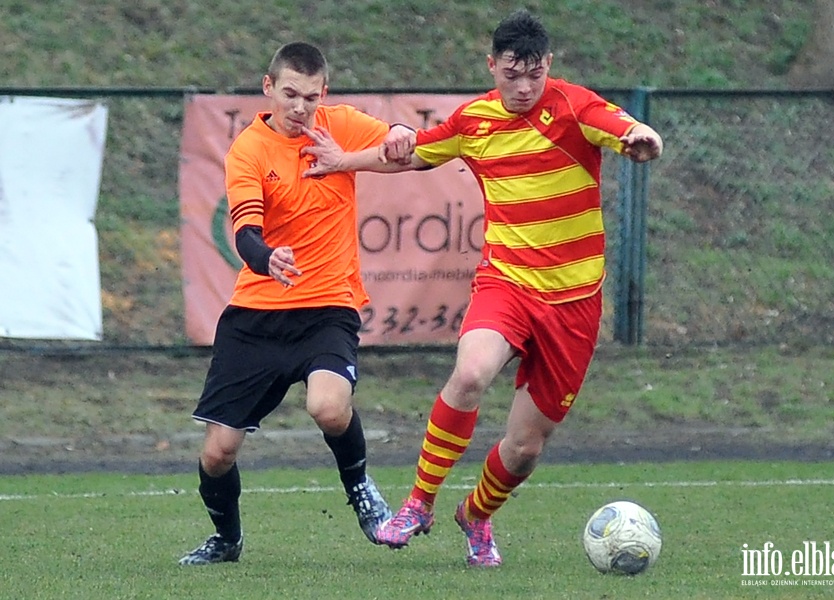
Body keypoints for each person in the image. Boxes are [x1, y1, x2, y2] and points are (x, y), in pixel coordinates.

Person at [301, 9, 663, 568]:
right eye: (511, 74)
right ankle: (418, 503)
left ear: (549, 67)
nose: (523, 87)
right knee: (469, 372)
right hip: (507, 283)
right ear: (491, 65)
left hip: (574, 303)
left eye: (534, 75)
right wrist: (342, 161)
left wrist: (643, 137)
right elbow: (413, 153)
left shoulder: (573, 106)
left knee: (524, 448)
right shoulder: (475, 121)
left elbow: (626, 128)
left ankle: (475, 514)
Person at [178, 41, 416, 565]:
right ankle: (227, 540)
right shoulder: (249, 149)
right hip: (257, 313)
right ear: (269, 89)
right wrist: (266, 258)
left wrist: (399, 136)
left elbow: (414, 154)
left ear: (323, 93)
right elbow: (243, 231)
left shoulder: (342, 125)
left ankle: (361, 490)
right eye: (290, 94)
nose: (300, 107)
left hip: (328, 305)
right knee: (218, 453)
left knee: (328, 407)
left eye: (310, 96)